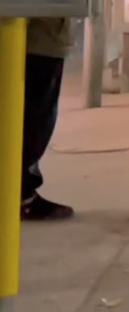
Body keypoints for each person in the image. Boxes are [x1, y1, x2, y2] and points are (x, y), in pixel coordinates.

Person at [21, 17, 73, 221]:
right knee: (34, 121)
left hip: (38, 38)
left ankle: (20, 191)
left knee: (34, 119)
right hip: (38, 42)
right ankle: (21, 194)